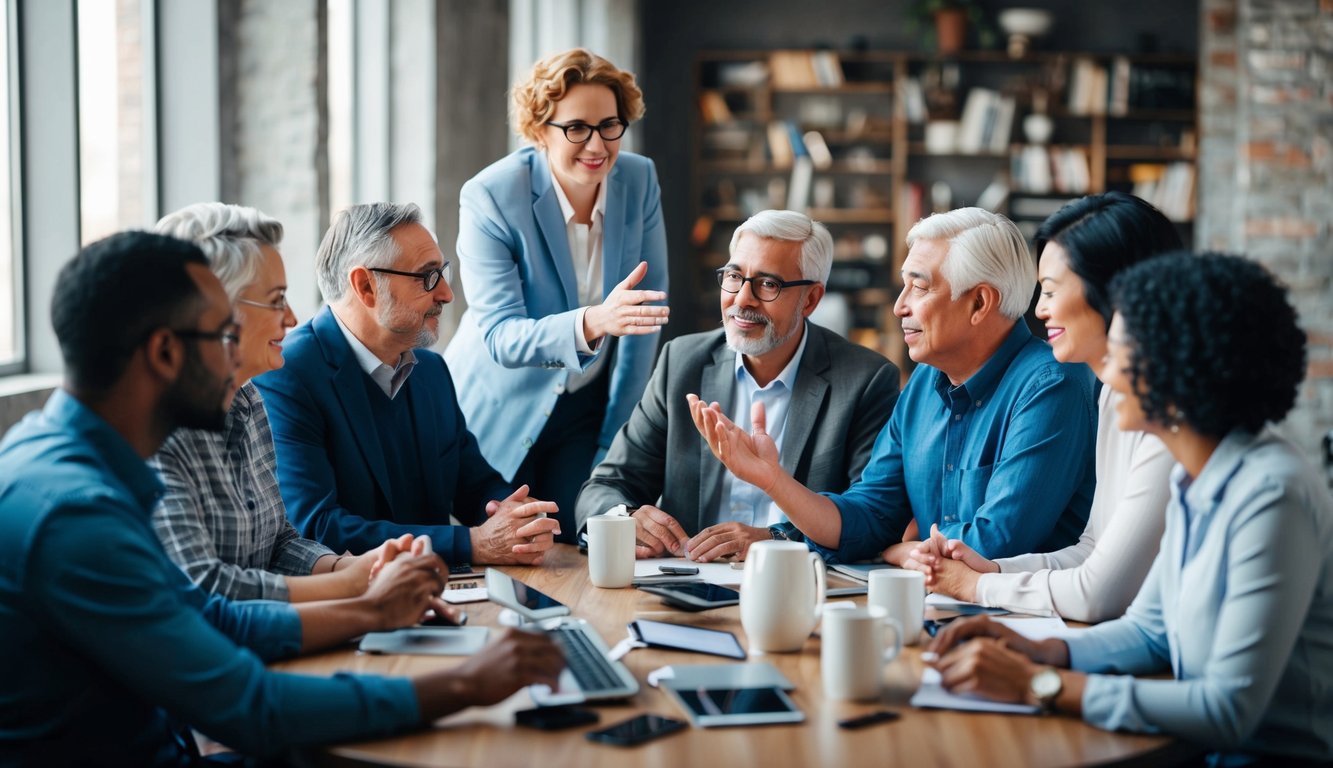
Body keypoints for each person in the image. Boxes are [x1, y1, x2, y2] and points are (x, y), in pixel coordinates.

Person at [0, 232, 563, 766]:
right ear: (166, 353)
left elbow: (208, 618)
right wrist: (467, 682)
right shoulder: (76, 517)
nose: (251, 356)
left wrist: (369, 608)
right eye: (223, 336)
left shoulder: (46, 453)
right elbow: (251, 707)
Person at [925, 252, 1333, 764]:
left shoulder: (1273, 495)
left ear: (1176, 367)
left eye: (1118, 355)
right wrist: (1039, 649)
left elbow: (1227, 709)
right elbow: (1150, 630)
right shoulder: (1194, 476)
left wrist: (1040, 683)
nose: (1108, 376)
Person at [690, 207, 1097, 563]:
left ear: (979, 303)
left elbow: (995, 542)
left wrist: (901, 551)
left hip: (1020, 623)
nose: (899, 305)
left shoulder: (1052, 384)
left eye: (919, 287)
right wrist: (772, 480)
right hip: (937, 607)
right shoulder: (924, 383)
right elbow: (870, 516)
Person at [903, 193, 1180, 622]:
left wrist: (978, 584)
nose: (1039, 309)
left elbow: (1099, 593)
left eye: (1049, 291)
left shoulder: (1171, 420)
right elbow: (1092, 549)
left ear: (1116, 294)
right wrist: (993, 570)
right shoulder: (1113, 395)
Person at [574, 211, 900, 561]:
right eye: (734, 276)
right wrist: (625, 519)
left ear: (810, 300)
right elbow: (605, 486)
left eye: (768, 284)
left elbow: (871, 519)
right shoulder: (683, 362)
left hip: (799, 589)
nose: (742, 299)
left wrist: (774, 541)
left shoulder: (866, 380)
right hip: (687, 584)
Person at [253, 202, 560, 564]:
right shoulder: (286, 375)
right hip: (357, 608)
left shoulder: (431, 370)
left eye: (442, 273)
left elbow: (474, 484)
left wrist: (515, 518)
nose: (446, 294)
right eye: (427, 277)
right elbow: (316, 528)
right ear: (365, 286)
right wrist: (472, 543)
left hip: (440, 594)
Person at [445, 48, 669, 541]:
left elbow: (642, 319)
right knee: (514, 548)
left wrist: (616, 442)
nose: (596, 144)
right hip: (500, 406)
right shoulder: (491, 196)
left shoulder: (639, 179)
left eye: (610, 125)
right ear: (538, 130)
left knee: (588, 537)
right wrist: (592, 322)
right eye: (576, 128)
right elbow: (501, 336)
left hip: (585, 406)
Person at [149, 202, 385, 601]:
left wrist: (359, 567)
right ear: (215, 310)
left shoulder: (248, 397)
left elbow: (278, 542)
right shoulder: (154, 431)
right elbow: (205, 589)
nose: (292, 318)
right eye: (277, 300)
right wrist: (352, 587)